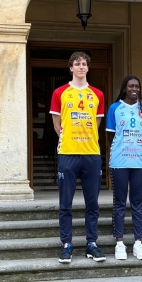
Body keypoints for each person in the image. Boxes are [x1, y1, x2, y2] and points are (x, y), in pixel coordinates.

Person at [50, 51, 105, 264]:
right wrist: (69, 139)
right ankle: (67, 244)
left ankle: (92, 244)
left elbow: (97, 125)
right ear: (71, 68)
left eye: (84, 64)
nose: (81, 67)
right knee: (66, 203)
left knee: (92, 203)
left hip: (91, 154)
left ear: (88, 68)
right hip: (68, 153)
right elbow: (57, 124)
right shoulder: (60, 92)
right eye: (77, 64)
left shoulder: (97, 94)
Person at [106, 76, 142, 260]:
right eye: (131, 86)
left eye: (137, 86)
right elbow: (110, 136)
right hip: (119, 162)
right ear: (125, 88)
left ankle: (138, 242)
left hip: (139, 162)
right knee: (119, 202)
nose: (134, 89)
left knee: (137, 202)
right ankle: (119, 243)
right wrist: (121, 150)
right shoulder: (115, 108)